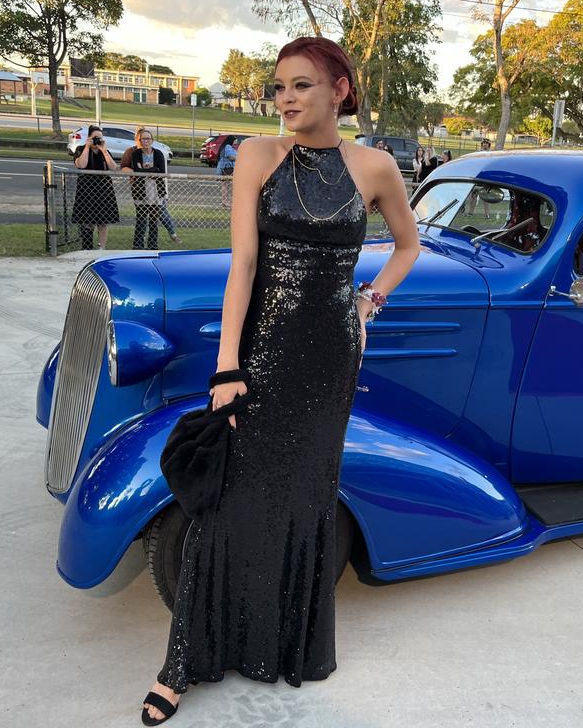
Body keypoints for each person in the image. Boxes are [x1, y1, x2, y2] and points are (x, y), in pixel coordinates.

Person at [141, 36, 420, 725]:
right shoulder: (259, 157)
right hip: (263, 352)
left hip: (330, 358)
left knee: (304, 498)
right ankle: (182, 664)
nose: (287, 99)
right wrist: (226, 367)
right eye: (279, 87)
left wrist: (369, 301)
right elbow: (242, 267)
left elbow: (409, 246)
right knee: (226, 501)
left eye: (301, 85)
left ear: (339, 90)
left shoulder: (377, 166)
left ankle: (286, 644)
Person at [121, 127, 175, 249]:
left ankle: (152, 246)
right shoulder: (135, 153)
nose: (145, 141)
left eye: (148, 138)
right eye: (143, 139)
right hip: (140, 190)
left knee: (154, 220)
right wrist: (151, 169)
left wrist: (146, 169)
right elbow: (137, 170)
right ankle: (138, 246)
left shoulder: (158, 153)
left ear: (152, 140)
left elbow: (160, 171)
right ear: (139, 140)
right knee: (141, 219)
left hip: (156, 190)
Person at [72, 125, 120, 250]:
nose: (97, 140)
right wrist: (87, 147)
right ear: (88, 138)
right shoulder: (80, 149)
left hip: (104, 189)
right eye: (94, 138)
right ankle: (87, 247)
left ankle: (101, 248)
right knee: (87, 221)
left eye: (99, 138)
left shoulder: (104, 151)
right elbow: (81, 164)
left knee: (103, 222)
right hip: (86, 189)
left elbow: (114, 167)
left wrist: (104, 150)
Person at [216, 137, 239, 208]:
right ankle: (226, 201)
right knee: (228, 185)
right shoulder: (228, 146)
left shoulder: (225, 146)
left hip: (224, 168)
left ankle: (225, 201)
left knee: (225, 185)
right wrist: (239, 158)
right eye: (234, 141)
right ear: (231, 140)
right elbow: (230, 157)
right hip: (228, 168)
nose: (235, 142)